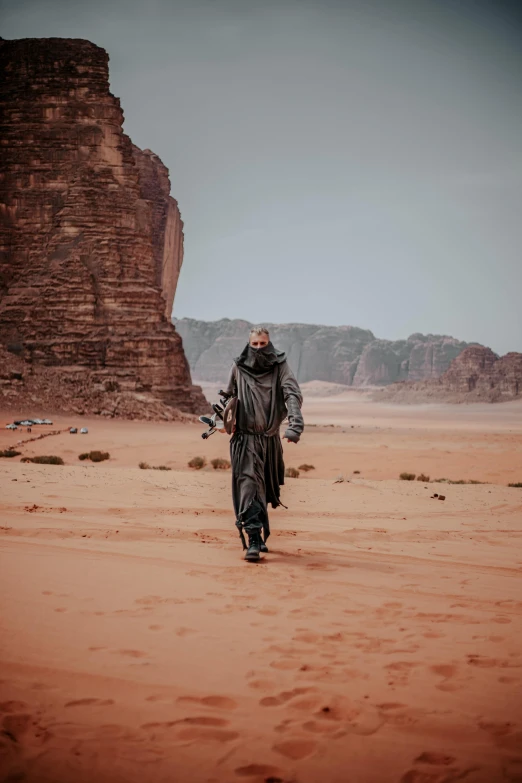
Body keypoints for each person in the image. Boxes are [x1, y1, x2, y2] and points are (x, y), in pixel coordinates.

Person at [221, 326, 304, 561]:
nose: (258, 348)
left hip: (268, 441)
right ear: (249, 344)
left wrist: (295, 425)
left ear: (269, 343)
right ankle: (253, 540)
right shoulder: (238, 367)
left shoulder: (279, 366)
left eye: (263, 344)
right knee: (249, 487)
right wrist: (225, 420)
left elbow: (292, 394)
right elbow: (228, 397)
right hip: (243, 441)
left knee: (262, 489)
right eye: (255, 344)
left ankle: (258, 533)